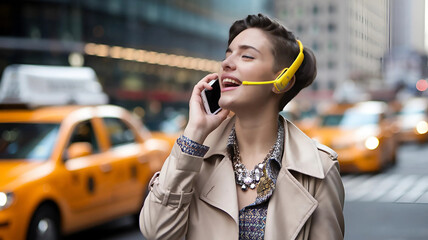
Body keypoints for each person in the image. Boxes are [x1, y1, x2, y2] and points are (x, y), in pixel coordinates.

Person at [139, 13, 345, 240]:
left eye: (246, 56)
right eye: (227, 54)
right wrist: (195, 132)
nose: (226, 63)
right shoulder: (194, 153)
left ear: (282, 80)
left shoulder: (319, 169)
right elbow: (156, 232)